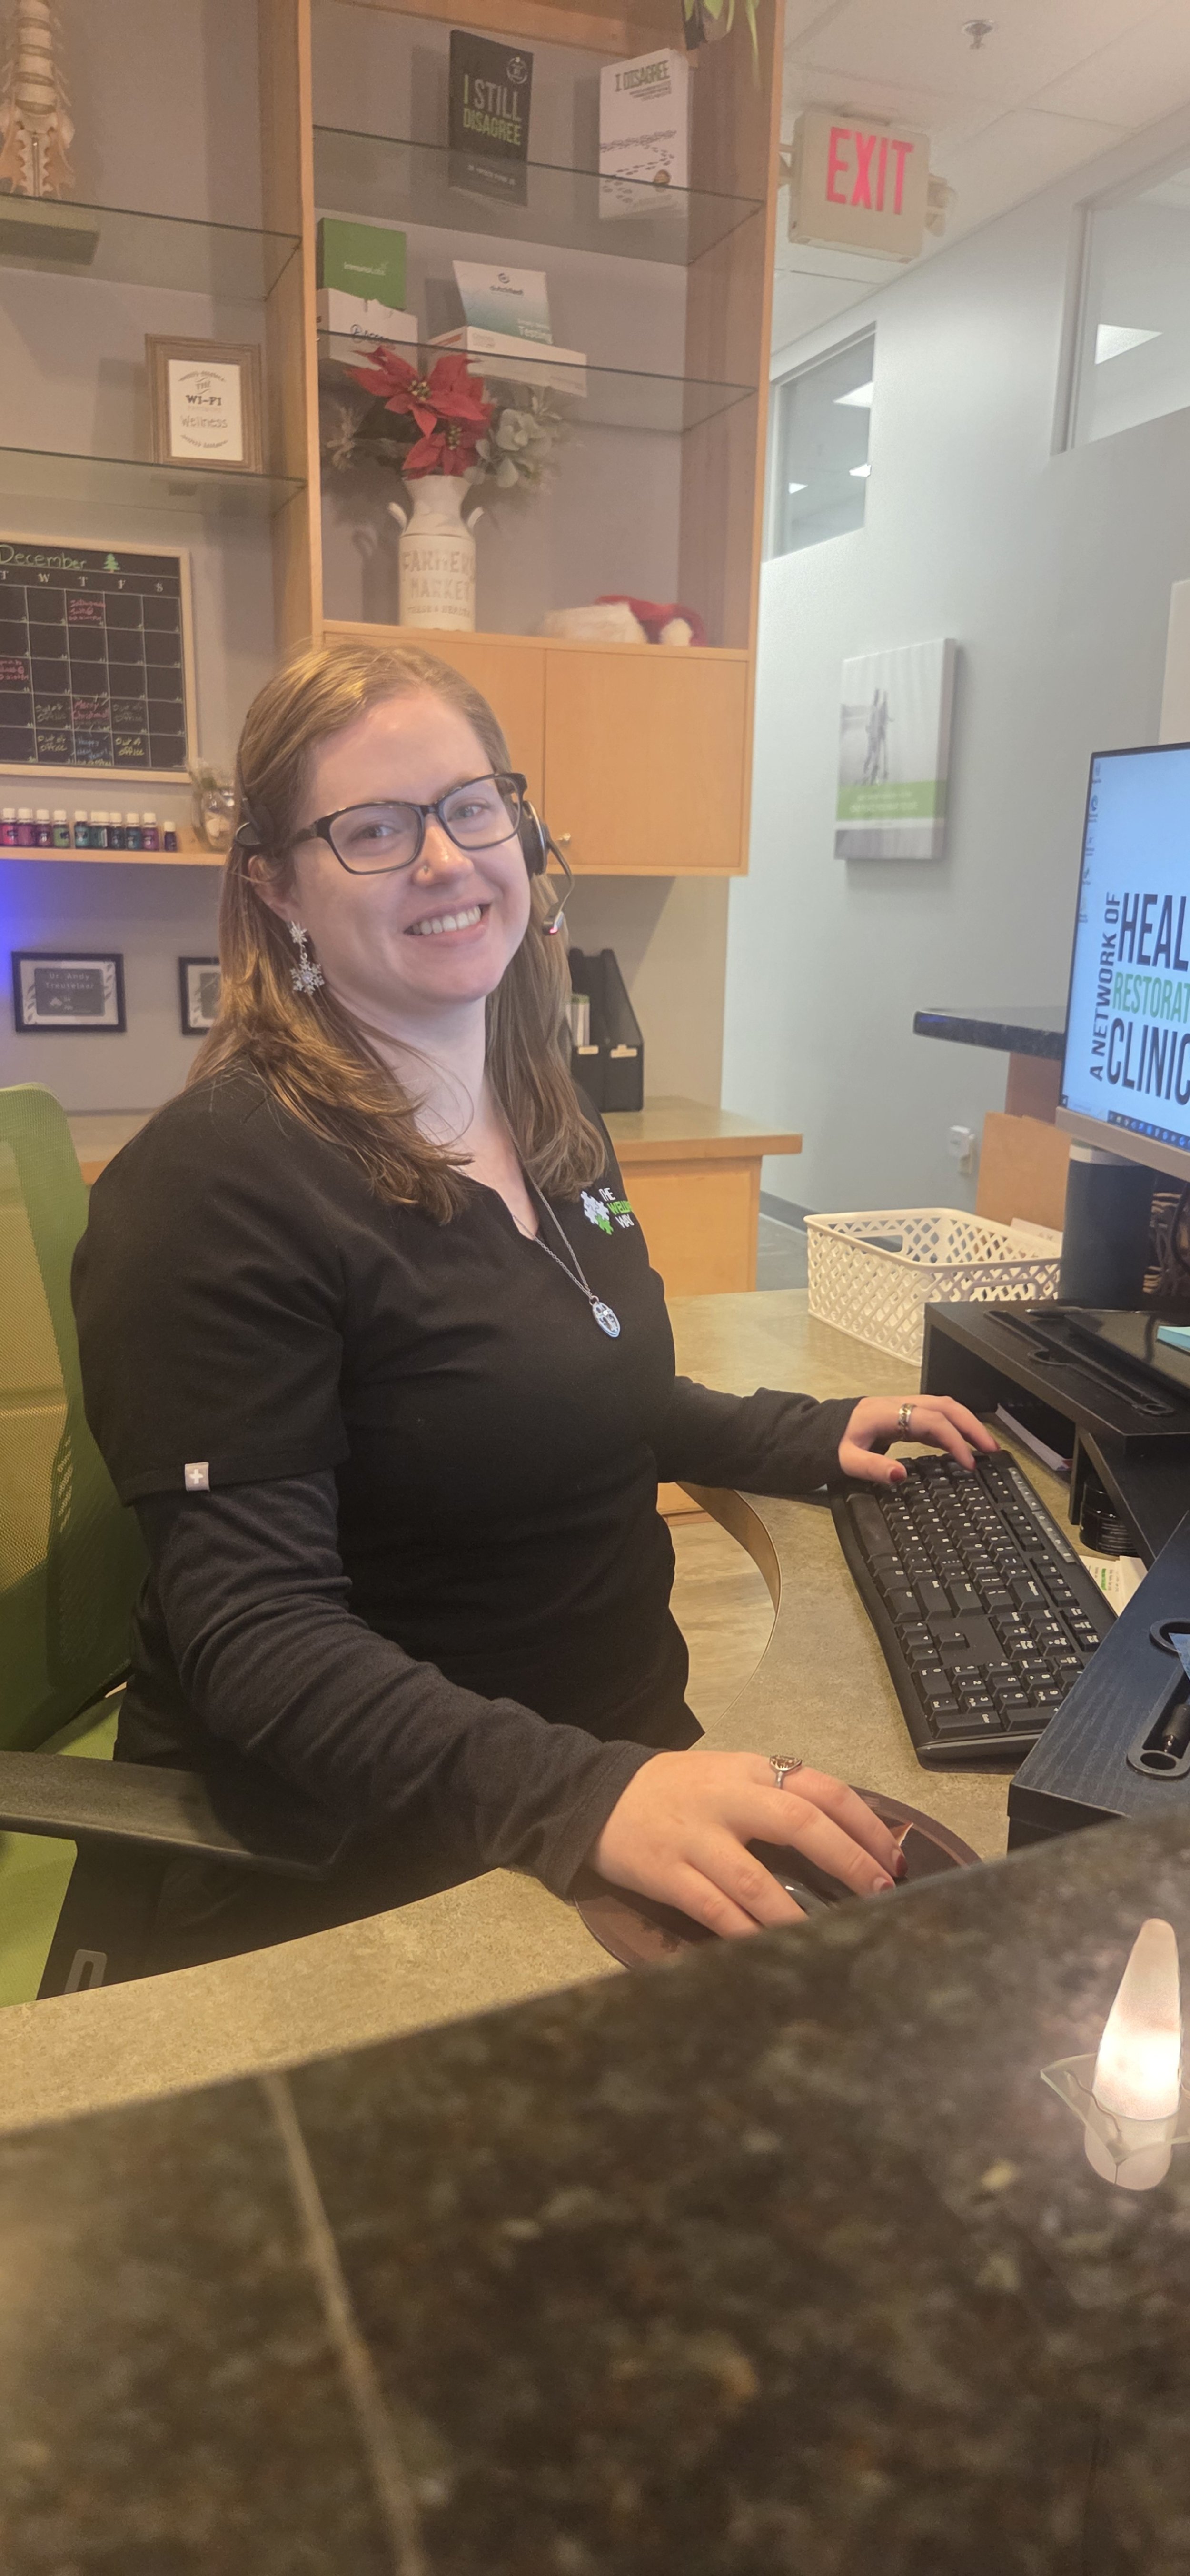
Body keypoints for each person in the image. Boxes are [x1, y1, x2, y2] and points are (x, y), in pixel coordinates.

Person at [73, 640, 994, 1972]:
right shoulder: (213, 1189)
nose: (445, 860)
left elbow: (586, 1386)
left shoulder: (543, 1113)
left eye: (469, 805)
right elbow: (259, 1639)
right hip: (389, 1847)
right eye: (373, 830)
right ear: (275, 887)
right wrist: (582, 1798)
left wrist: (802, 1430)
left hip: (617, 1767)